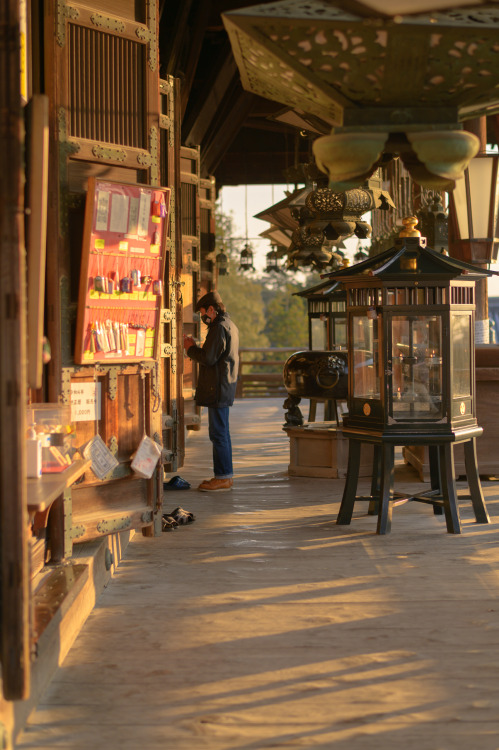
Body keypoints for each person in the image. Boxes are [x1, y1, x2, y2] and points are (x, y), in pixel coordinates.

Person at [183, 290, 239, 491]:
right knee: (222, 432)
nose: (203, 318)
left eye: (203, 313)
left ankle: (223, 476)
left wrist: (190, 348)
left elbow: (208, 358)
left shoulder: (219, 328)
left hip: (219, 387)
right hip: (223, 386)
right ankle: (225, 475)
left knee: (219, 433)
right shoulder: (229, 325)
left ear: (211, 309)